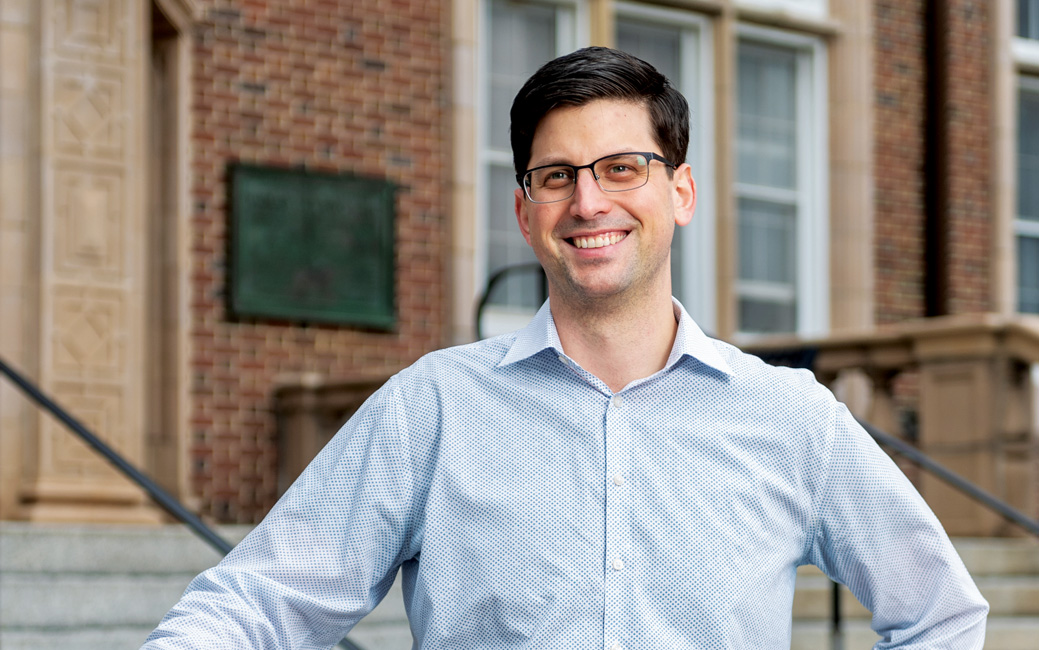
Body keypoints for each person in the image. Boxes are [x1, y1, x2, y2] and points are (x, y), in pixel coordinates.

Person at [142, 47, 988, 649]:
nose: (588, 201)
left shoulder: (789, 417)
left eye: (622, 167)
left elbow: (938, 616)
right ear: (525, 210)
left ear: (679, 191)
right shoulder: (431, 408)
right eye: (556, 176)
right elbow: (259, 605)